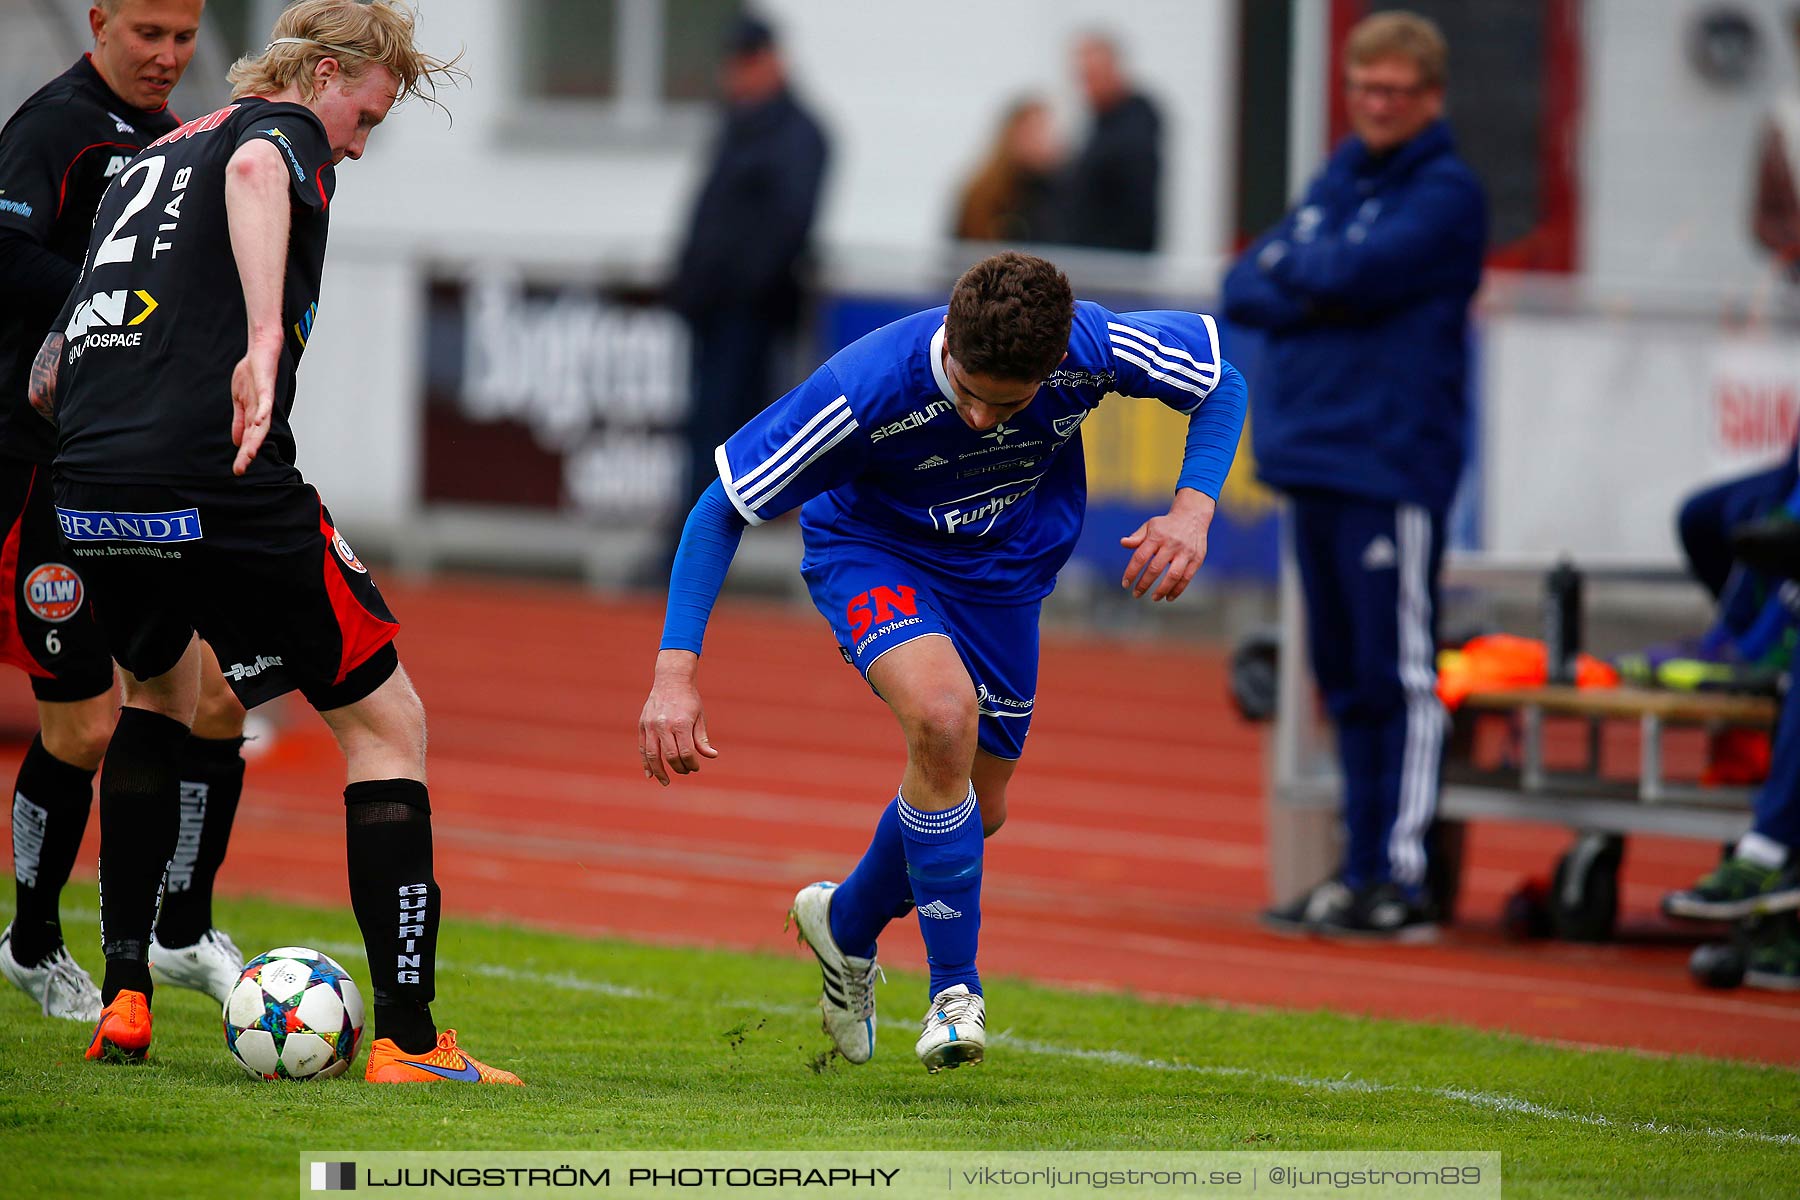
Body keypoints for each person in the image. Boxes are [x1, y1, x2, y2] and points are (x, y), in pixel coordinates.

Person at [31, 0, 518, 1084]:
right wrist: (258, 341)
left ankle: (123, 996)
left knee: (159, 696)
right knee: (389, 726)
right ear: (328, 72)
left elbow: (60, 351)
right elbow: (263, 175)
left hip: (93, 480)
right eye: (366, 117)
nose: (355, 142)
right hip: (216, 473)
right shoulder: (277, 131)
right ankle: (406, 1038)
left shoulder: (158, 149)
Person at [638, 251, 1245, 1071]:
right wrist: (675, 675)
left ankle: (845, 924)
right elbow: (721, 508)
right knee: (943, 717)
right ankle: (955, 993)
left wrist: (1193, 506)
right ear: (949, 345)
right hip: (875, 551)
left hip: (1003, 570)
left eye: (1009, 405)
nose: (982, 420)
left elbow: (1219, 382)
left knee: (977, 806)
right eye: (966, 394)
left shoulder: (1092, 344)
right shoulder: (865, 387)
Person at [0, 0, 251, 1023]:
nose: (167, 56)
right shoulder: (55, 126)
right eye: (148, 33)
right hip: (41, 475)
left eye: (184, 37)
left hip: (144, 472)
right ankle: (30, 941)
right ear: (99, 20)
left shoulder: (175, 142)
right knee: (86, 725)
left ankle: (181, 928)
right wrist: (132, 296)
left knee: (216, 698)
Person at [1223, 11, 1486, 940]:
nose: (1375, 106)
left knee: (1396, 673)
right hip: (1314, 455)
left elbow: (1352, 273)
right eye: (1363, 88)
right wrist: (1315, 274)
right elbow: (1246, 282)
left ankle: (1401, 877)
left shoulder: (1448, 193)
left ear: (1430, 98)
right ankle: (1356, 866)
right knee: (1340, 677)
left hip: (1392, 458)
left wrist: (1310, 272)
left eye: (1394, 91)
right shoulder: (1338, 177)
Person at [666, 13, 829, 513]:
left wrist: (733, 290)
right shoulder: (738, 123)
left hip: (748, 316)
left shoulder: (797, 134)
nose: (735, 74)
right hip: (715, 311)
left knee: (728, 439)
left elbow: (783, 229)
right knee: (705, 431)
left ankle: (700, 546)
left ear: (771, 61)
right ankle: (686, 543)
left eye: (746, 62)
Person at [1057, 33, 1161, 252]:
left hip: (1114, 261)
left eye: (1093, 75)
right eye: (1083, 77)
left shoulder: (1132, 130)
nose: (1087, 86)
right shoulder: (1103, 123)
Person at [952, 97, 1063, 243]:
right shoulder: (984, 194)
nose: (1041, 141)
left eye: (1045, 132)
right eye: (1031, 132)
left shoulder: (1064, 190)